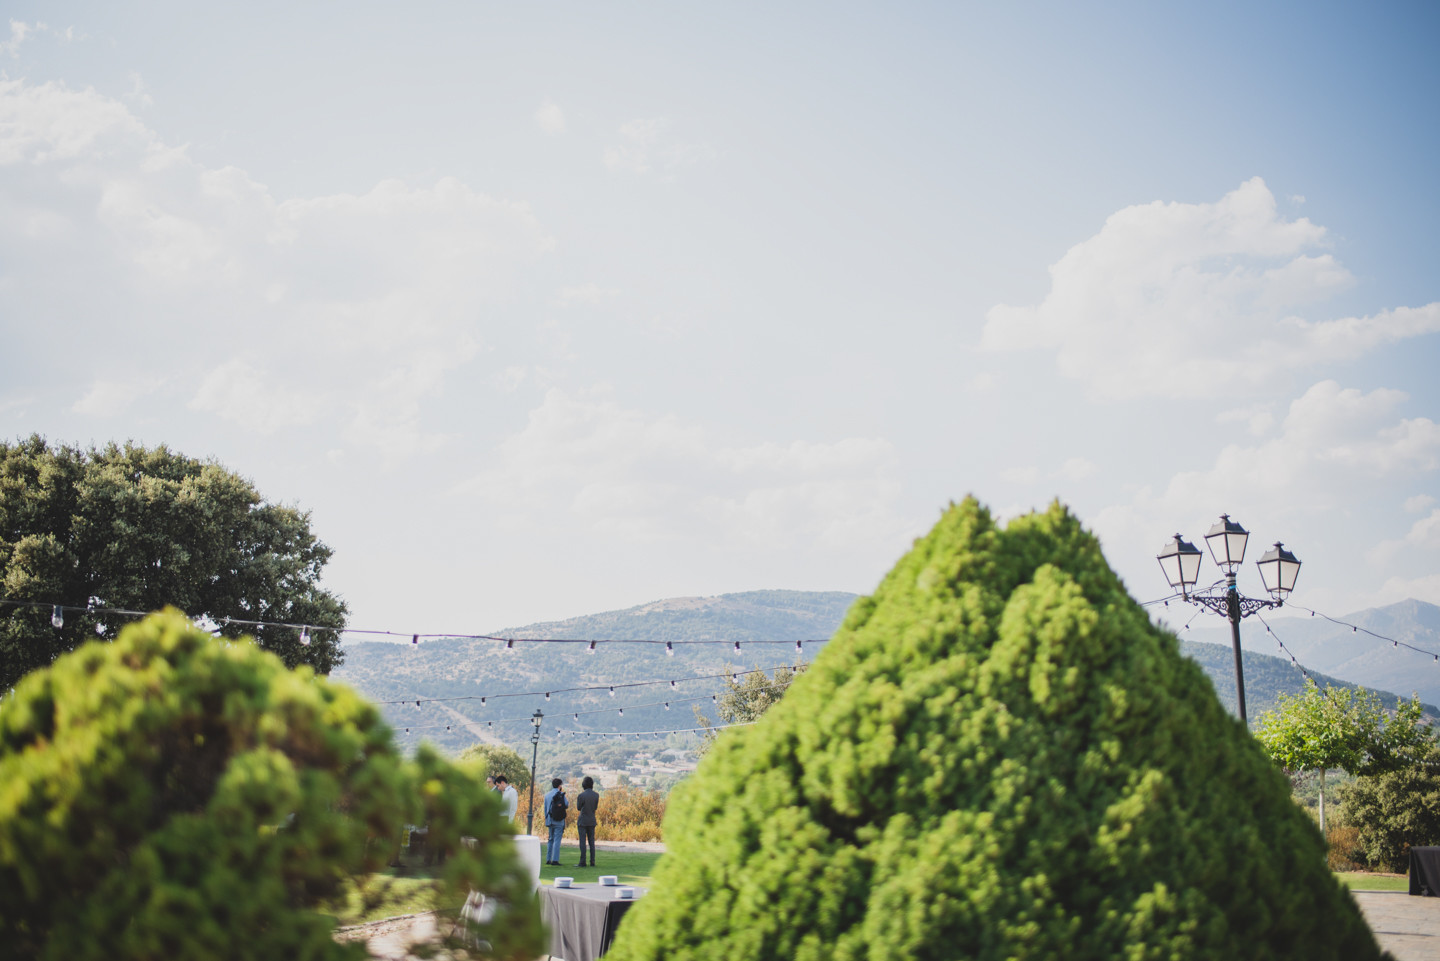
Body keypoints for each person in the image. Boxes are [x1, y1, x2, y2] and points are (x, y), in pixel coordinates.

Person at [575, 776, 600, 868]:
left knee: (582, 842)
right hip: (592, 820)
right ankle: (592, 861)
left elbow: (578, 808)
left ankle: (582, 861)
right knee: (591, 842)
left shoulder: (581, 796)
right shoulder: (596, 795)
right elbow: (595, 808)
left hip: (583, 820)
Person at [542, 777, 568, 865]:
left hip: (550, 819)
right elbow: (566, 804)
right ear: (560, 786)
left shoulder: (547, 795)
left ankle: (548, 859)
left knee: (550, 839)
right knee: (557, 840)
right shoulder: (561, 794)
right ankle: (555, 860)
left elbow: (545, 808)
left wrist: (547, 819)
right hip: (559, 820)